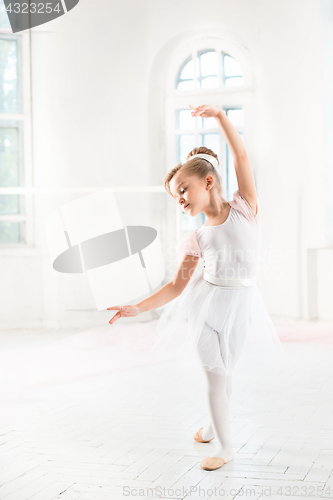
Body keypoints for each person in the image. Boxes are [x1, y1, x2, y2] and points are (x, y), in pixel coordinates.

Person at [107, 104, 287, 471]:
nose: (180, 199)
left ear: (208, 182)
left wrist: (220, 117)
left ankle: (209, 426)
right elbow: (176, 286)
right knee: (215, 376)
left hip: (242, 304)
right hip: (203, 307)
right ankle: (225, 446)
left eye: (183, 189)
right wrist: (136, 308)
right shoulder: (197, 237)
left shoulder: (245, 208)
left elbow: (240, 154)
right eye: (175, 196)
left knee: (226, 372)